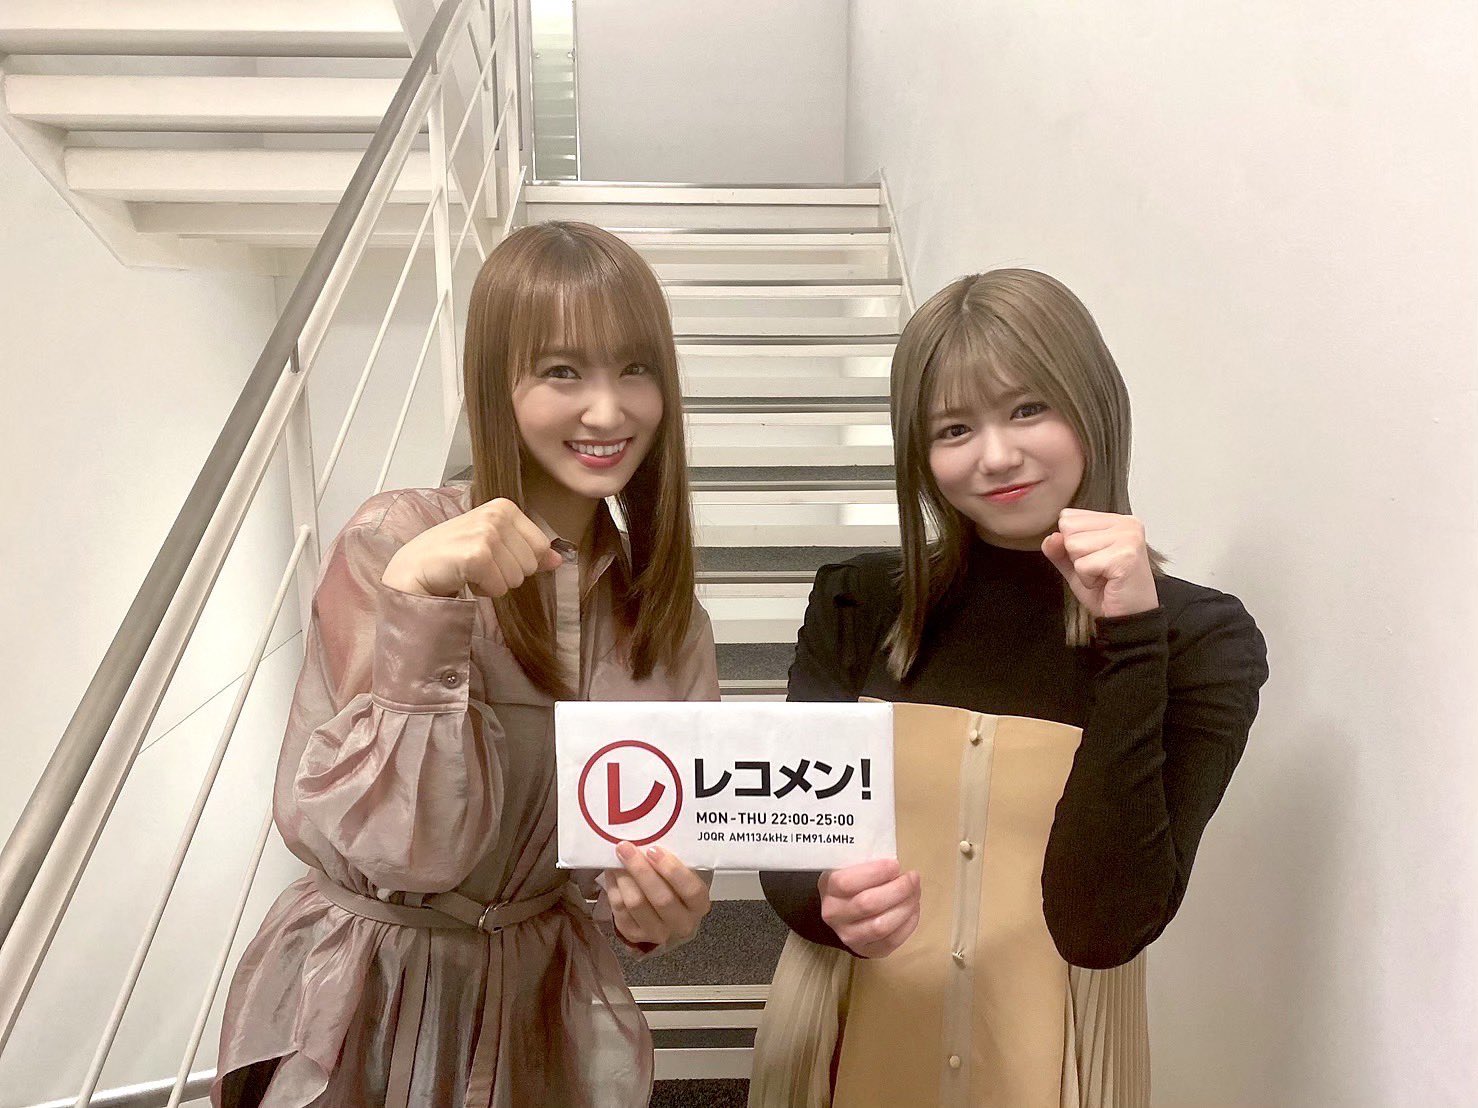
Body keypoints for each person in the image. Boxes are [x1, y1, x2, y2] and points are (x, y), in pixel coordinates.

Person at [212, 222, 720, 1108]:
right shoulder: (396, 540)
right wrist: (419, 601)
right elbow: (407, 848)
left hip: (536, 1002)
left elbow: (658, 849)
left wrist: (658, 910)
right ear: (495, 379)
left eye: (635, 370)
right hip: (365, 991)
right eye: (563, 371)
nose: (609, 412)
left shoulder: (664, 615)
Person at [751, 269, 1270, 1105]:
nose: (995, 456)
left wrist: (1134, 637)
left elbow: (1103, 926)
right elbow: (785, 837)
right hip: (843, 1038)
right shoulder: (860, 599)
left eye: (1028, 409)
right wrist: (824, 896)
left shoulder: (1201, 638)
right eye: (954, 428)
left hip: (1058, 1060)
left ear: (1093, 405)